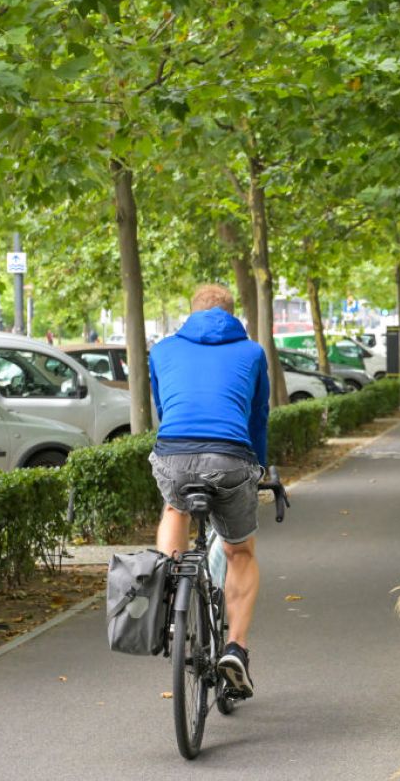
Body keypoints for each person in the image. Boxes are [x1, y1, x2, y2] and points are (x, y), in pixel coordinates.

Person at [148, 284, 269, 697]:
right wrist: (261, 466)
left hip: (175, 453)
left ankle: (168, 599)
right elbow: (258, 418)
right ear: (234, 315)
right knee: (240, 552)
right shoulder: (252, 352)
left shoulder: (163, 350)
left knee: (174, 508)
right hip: (231, 457)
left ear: (191, 313)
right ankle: (235, 647)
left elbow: (164, 409)